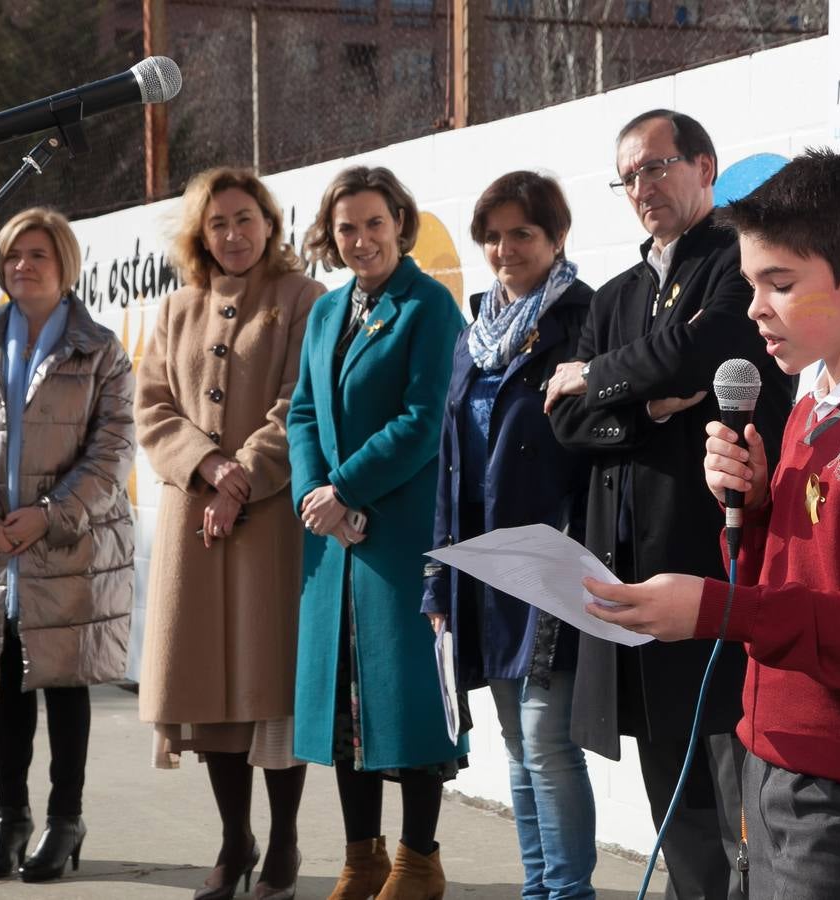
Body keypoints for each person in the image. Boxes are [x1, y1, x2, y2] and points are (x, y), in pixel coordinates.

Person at [583, 144, 840, 900]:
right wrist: (759, 507)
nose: (755, 308)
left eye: (780, 283)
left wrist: (709, 608)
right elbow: (794, 581)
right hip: (772, 758)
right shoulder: (811, 402)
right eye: (748, 285)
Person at [543, 110, 793, 900]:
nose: (643, 188)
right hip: (633, 580)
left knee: (737, 812)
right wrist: (650, 408)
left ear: (705, 167)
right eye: (629, 177)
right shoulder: (616, 295)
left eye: (657, 167)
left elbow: (704, 345)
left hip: (710, 565)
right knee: (676, 811)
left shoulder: (734, 262)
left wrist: (598, 376)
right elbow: (564, 418)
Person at [0, 206, 134, 883]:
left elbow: (113, 448)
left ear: (64, 262)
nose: (22, 266)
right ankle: (10, 818)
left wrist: (52, 513)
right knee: (5, 684)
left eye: (37, 254)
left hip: (66, 547)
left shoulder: (99, 348)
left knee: (65, 686)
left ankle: (64, 820)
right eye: (13, 255)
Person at [135, 167, 324, 900]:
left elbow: (297, 402)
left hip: (271, 523)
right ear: (199, 234)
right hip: (195, 522)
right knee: (208, 692)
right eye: (218, 224)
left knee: (267, 687)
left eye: (245, 219)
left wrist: (241, 477)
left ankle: (283, 842)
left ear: (269, 225)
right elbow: (151, 405)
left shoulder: (301, 299)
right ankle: (234, 841)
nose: (234, 235)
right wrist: (207, 468)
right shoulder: (177, 308)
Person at [288, 165, 467, 900]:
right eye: (346, 227)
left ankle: (417, 862)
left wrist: (347, 489)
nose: (360, 239)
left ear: (400, 221)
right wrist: (312, 496)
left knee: (411, 703)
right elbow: (301, 412)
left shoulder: (429, 307)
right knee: (344, 709)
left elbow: (426, 420)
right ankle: (361, 860)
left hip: (399, 537)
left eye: (373, 223)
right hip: (334, 543)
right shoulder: (327, 312)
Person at [421, 171, 597, 900]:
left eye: (522, 232)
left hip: (551, 558)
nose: (504, 247)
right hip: (481, 567)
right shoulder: (473, 336)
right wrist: (436, 577)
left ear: (556, 238)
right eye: (492, 235)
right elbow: (447, 461)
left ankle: (568, 893)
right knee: (517, 746)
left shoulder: (586, 320)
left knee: (547, 740)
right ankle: (539, 890)